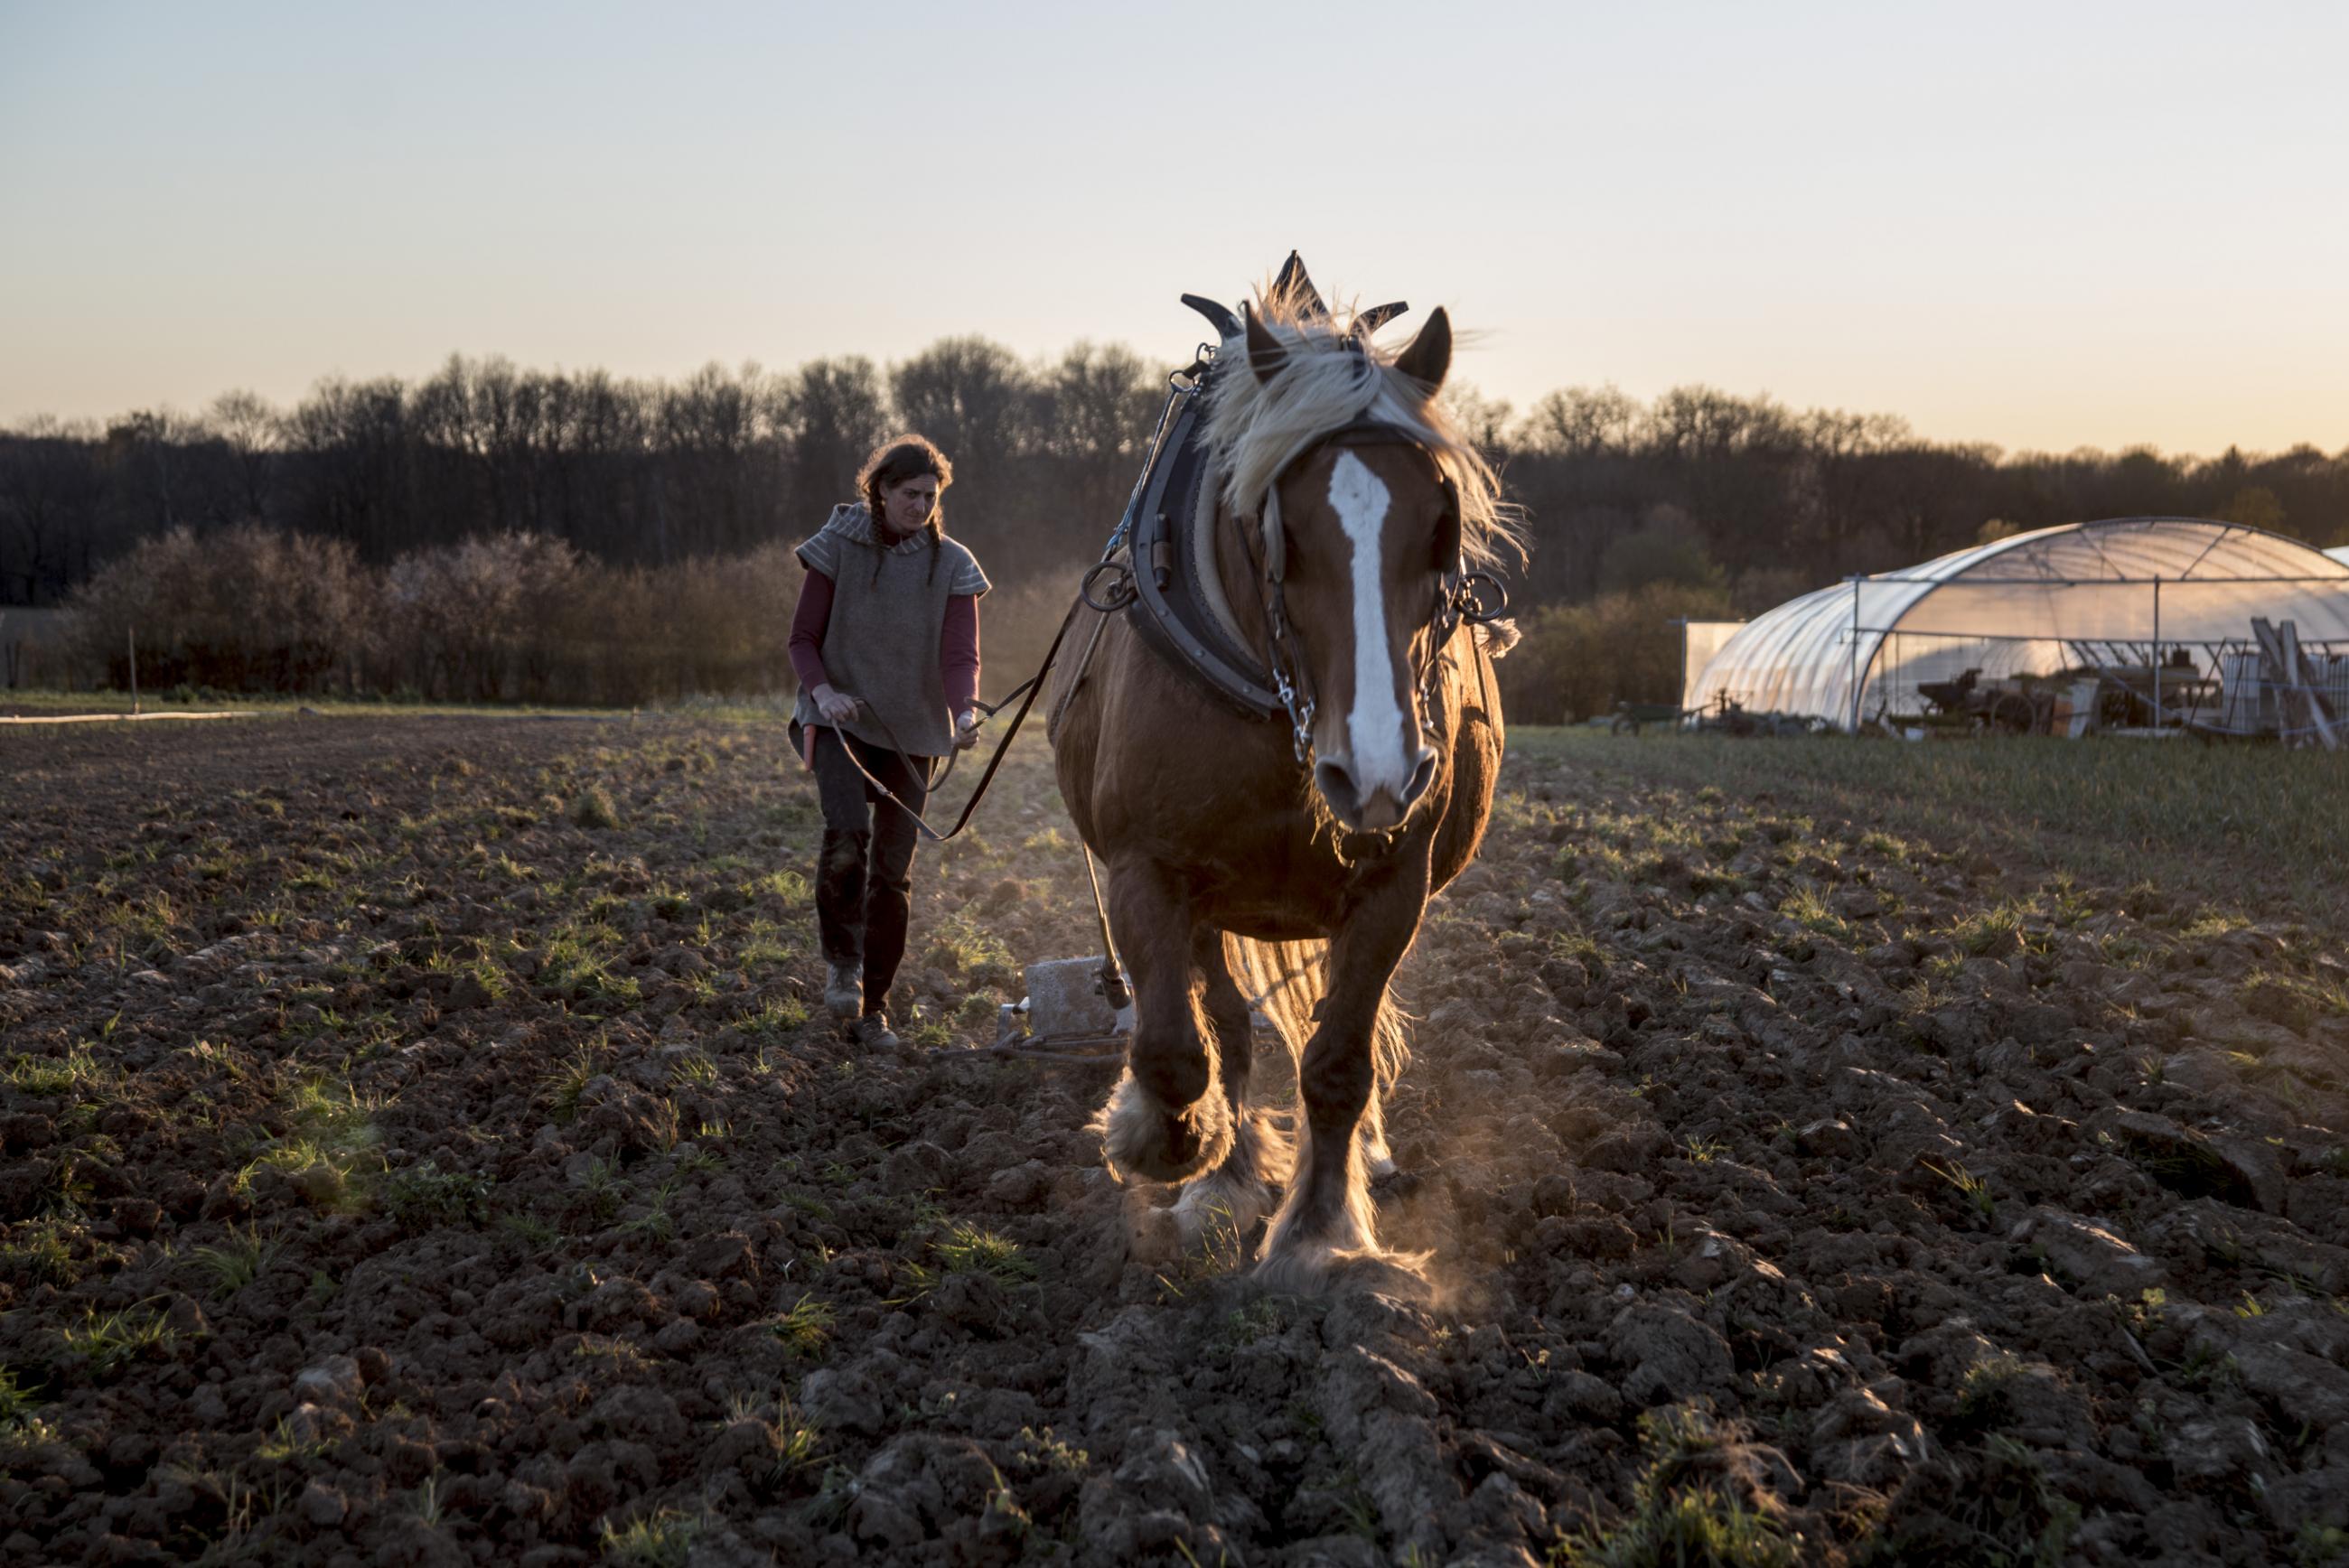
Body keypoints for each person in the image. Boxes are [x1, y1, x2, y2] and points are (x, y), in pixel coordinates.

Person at [788, 434, 989, 1049]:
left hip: (914, 735)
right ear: (880, 490)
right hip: (841, 722)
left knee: (893, 876)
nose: (921, 506)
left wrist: (962, 713)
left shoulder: (952, 563)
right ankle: (842, 965)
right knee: (848, 837)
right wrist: (822, 695)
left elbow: (961, 656)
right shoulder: (838, 548)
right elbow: (802, 639)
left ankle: (875, 1006)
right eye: (910, 494)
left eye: (931, 497)